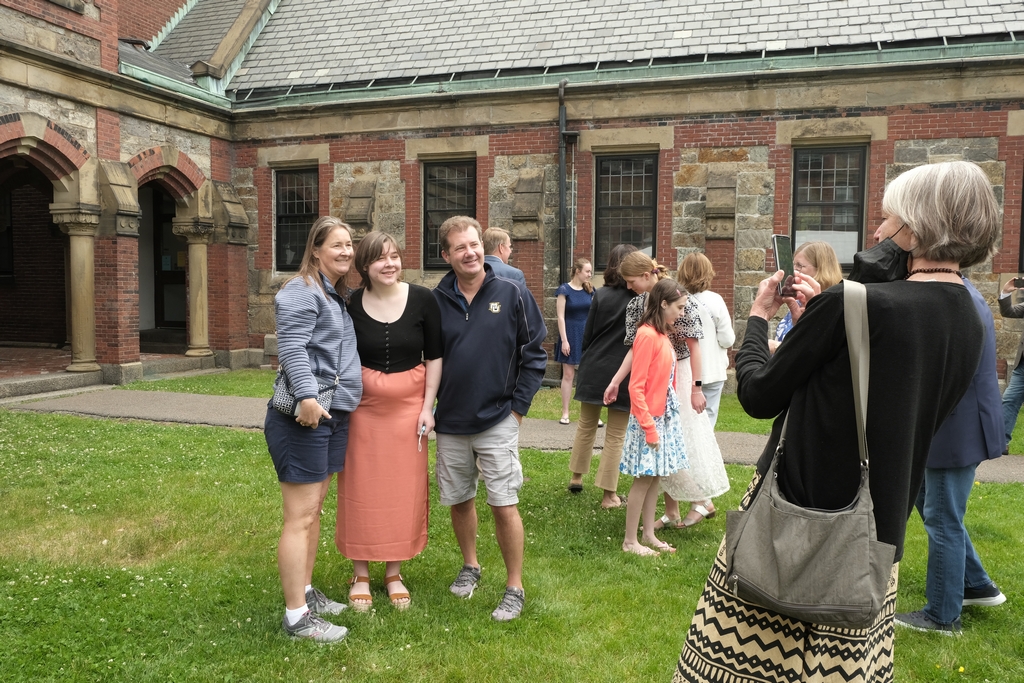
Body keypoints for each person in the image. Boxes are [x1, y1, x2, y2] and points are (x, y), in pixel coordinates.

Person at [673, 160, 1000, 683]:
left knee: (744, 665)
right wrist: (818, 334)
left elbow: (757, 394)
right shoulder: (968, 314)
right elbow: (890, 394)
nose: (877, 231)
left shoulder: (853, 304)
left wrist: (759, 316)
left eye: (889, 220)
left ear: (916, 227)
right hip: (875, 532)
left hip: (797, 520)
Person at [432, 216, 547, 622]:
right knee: (459, 499)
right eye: (460, 247)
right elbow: (429, 360)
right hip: (450, 423)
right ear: (446, 255)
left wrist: (517, 410)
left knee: (504, 503)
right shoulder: (437, 299)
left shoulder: (512, 291)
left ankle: (514, 586)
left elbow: (535, 354)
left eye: (475, 244)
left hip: (499, 417)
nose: (470, 252)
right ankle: (470, 565)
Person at [263, 216, 362, 642]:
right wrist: (305, 396)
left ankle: (305, 592)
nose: (346, 251)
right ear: (316, 250)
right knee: (299, 517)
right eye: (337, 245)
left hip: (330, 414)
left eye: (350, 245)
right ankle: (296, 617)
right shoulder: (301, 290)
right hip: (304, 416)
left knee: (313, 511)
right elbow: (291, 345)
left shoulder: (332, 294)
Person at [336, 231, 442, 612]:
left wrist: (428, 408)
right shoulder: (348, 304)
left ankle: (394, 571)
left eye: (395, 256)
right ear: (364, 266)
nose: (390, 264)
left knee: (403, 490)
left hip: (408, 412)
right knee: (361, 490)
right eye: (381, 258)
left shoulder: (423, 300)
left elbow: (435, 356)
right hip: (362, 412)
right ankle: (360, 572)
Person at [895, 275, 1006, 634]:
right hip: (952, 423)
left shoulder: (959, 300)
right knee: (933, 505)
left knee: (943, 520)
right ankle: (976, 584)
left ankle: (942, 615)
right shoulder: (964, 294)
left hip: (953, 426)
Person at [605, 251, 726, 530]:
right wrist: (615, 380)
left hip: (679, 373)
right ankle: (672, 511)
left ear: (647, 275)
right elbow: (636, 352)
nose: (628, 286)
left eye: (631, 280)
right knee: (665, 443)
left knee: (677, 441)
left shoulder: (678, 298)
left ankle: (700, 498)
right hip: (655, 374)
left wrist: (696, 388)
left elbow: (695, 347)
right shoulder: (637, 305)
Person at [620, 278, 691, 556]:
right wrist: (649, 427)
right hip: (648, 419)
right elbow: (635, 387)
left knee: (654, 478)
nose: (682, 313)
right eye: (679, 307)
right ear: (663, 304)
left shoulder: (661, 334)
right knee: (643, 479)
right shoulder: (646, 335)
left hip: (661, 416)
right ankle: (629, 541)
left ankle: (647, 534)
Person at [567, 244, 638, 508]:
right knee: (616, 434)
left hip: (594, 366)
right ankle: (609, 495)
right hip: (622, 371)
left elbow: (588, 335)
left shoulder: (601, 294)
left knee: (586, 425)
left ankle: (576, 477)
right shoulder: (640, 298)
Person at [676, 252, 735, 428]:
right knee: (708, 418)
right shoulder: (715, 300)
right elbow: (727, 339)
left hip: (686, 369)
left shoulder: (676, 300)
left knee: (686, 419)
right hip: (712, 369)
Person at [768, 241, 842, 353]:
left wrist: (776, 347)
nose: (793, 270)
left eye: (799, 266)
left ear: (821, 269)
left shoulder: (834, 306)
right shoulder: (799, 302)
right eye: (793, 264)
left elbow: (818, 351)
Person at [554, 257, 595, 424]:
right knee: (569, 374)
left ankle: (592, 414)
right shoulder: (564, 290)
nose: (590, 274)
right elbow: (560, 317)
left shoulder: (591, 290)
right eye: (587, 271)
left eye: (591, 271)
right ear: (577, 271)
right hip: (570, 334)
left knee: (589, 375)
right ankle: (565, 412)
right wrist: (564, 340)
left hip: (587, 334)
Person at [998, 278, 1024, 453]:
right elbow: (1009, 311)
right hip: (1022, 367)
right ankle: (1000, 442)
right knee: (1009, 400)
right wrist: (1007, 292)